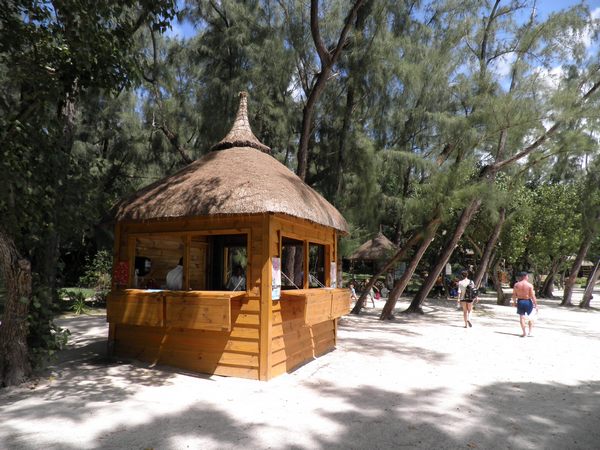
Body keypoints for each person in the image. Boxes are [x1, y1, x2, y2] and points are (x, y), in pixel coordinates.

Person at [511, 271, 538, 337]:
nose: (528, 277)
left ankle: (524, 333)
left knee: (522, 317)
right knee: (531, 317)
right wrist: (536, 305)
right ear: (525, 276)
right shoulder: (529, 285)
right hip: (528, 301)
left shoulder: (516, 285)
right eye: (527, 276)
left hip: (520, 301)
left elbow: (514, 295)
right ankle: (530, 332)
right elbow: (532, 296)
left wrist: (514, 302)